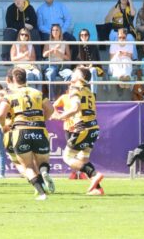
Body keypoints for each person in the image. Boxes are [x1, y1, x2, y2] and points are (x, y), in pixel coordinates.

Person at [0, 67, 55, 200]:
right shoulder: (37, 93)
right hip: (39, 130)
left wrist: (4, 125)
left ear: (12, 79)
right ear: (25, 78)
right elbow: (51, 109)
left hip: (20, 132)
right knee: (42, 162)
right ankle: (44, 172)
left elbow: (0, 114)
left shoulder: (9, 95)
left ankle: (41, 193)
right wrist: (42, 119)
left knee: (27, 166)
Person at [51, 66, 105, 195]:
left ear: (80, 77)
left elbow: (76, 107)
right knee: (83, 158)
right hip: (93, 128)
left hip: (83, 128)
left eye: (75, 73)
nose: (72, 74)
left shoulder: (75, 89)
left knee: (67, 156)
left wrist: (61, 116)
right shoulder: (89, 91)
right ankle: (98, 189)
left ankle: (95, 174)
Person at [43, 24, 71, 100]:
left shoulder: (64, 43)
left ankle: (63, 96)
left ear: (60, 32)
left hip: (62, 66)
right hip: (51, 65)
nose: (55, 32)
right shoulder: (48, 42)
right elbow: (44, 54)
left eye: (57, 30)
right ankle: (52, 98)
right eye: (53, 30)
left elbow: (68, 58)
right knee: (50, 74)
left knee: (70, 74)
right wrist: (53, 50)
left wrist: (60, 54)